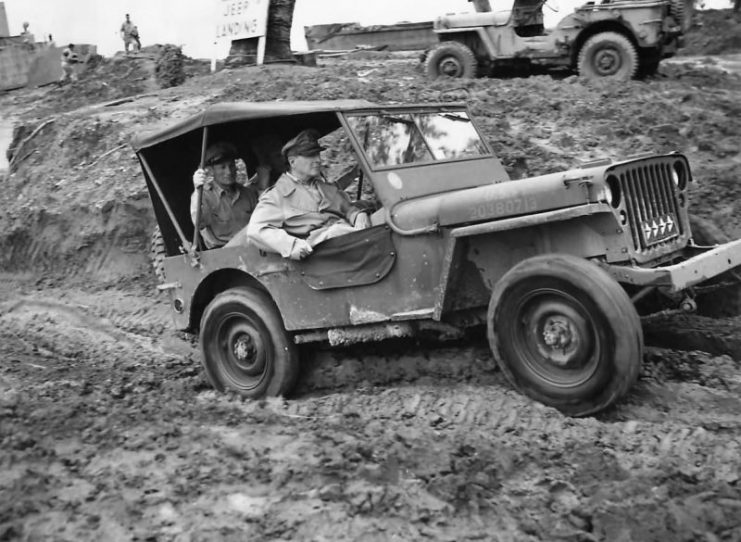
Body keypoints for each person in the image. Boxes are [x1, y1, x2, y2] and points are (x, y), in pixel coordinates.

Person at [246, 129, 371, 260]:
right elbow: (256, 230)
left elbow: (347, 208)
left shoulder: (324, 187)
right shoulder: (277, 195)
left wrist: (358, 215)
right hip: (320, 257)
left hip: (349, 244)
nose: (318, 160)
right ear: (292, 162)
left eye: (317, 154)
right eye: (310, 156)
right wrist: (292, 245)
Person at [191, 142, 262, 249]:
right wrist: (198, 190)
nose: (229, 172)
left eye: (231, 166)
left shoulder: (247, 194)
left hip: (254, 249)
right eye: (222, 167)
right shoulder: (204, 196)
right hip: (222, 255)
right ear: (211, 171)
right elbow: (199, 223)